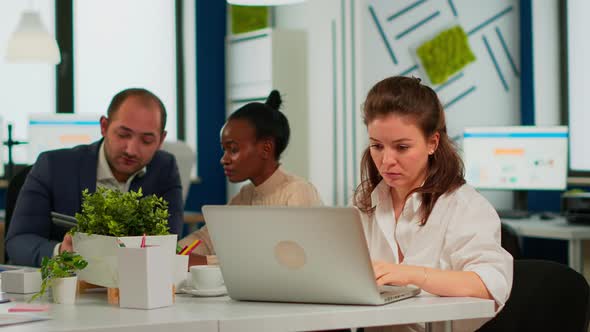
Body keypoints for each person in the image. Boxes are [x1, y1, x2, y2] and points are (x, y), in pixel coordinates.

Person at [353, 76, 512, 332]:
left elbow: (488, 285)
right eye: (377, 146)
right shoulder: (366, 205)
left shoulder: (465, 206)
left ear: (432, 143)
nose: (386, 161)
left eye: (402, 147)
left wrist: (412, 276)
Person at [6, 88, 183, 267]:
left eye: (146, 141)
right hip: (63, 286)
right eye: (123, 135)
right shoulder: (53, 166)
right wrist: (61, 252)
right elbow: (18, 241)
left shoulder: (164, 168)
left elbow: (169, 242)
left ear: (161, 140)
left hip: (130, 287)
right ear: (104, 127)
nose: (131, 149)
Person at [180, 90, 322, 265]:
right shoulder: (244, 196)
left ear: (266, 148)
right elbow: (206, 239)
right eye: (224, 149)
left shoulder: (298, 192)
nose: (223, 159)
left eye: (233, 149)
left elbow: (287, 261)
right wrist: (175, 252)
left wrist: (206, 262)